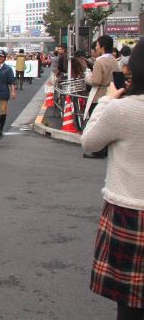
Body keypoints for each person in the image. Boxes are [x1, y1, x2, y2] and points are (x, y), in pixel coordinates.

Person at [82, 40, 144, 320]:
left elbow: (89, 143)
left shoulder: (123, 109)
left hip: (131, 213)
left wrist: (107, 99)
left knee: (130, 305)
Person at [83, 35, 121, 159]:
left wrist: (87, 77)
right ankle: (105, 148)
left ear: (102, 47)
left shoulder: (100, 61)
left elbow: (96, 81)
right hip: (112, 92)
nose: (96, 47)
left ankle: (98, 150)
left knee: (96, 122)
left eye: (98, 45)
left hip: (99, 94)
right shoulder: (114, 60)